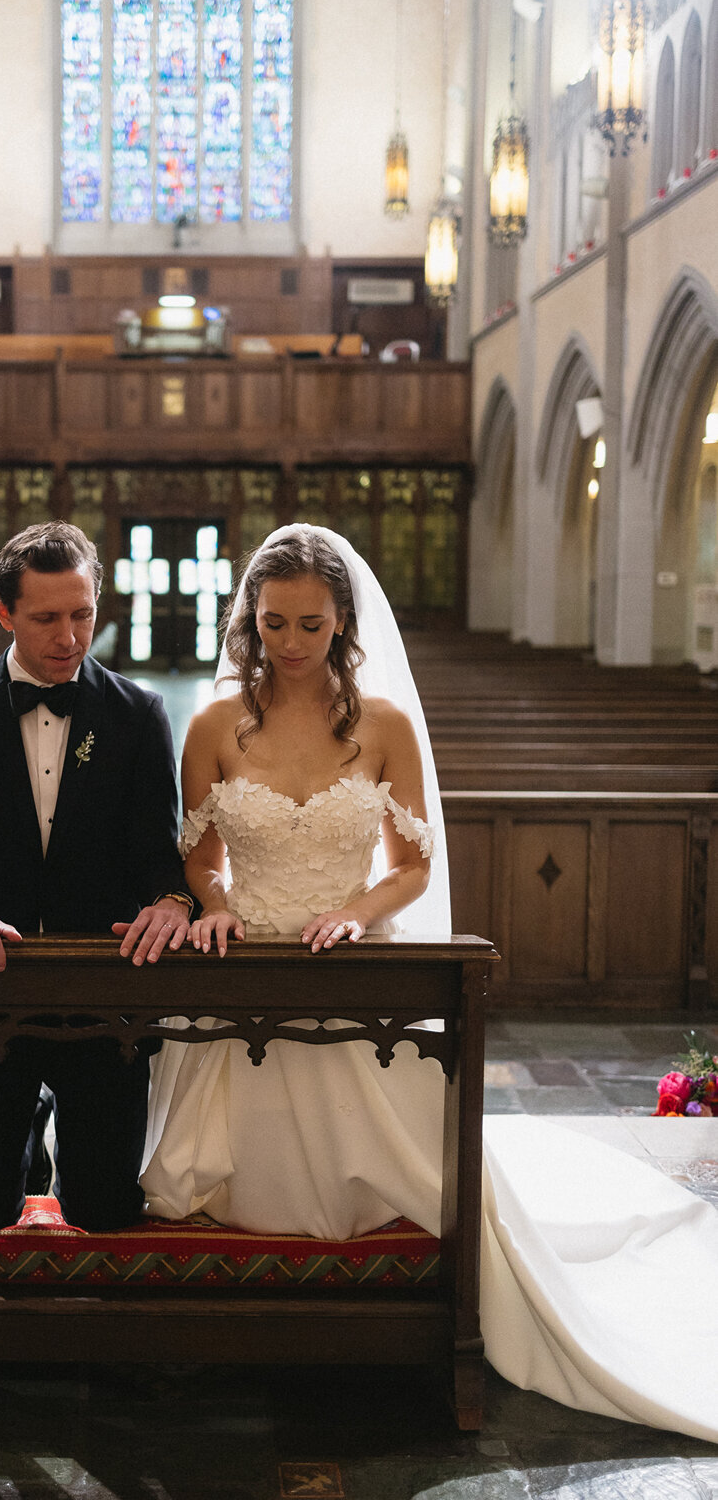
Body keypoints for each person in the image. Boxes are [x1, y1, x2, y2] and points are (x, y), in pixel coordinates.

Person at [141, 523, 718, 1444]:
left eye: (311, 626)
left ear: (343, 623)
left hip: (350, 955)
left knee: (399, 1162)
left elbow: (413, 865)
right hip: (246, 963)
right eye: (274, 622)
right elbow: (201, 857)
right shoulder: (212, 725)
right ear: (249, 618)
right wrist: (214, 904)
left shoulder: (384, 725)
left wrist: (359, 912)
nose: (290, 643)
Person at [0, 521, 192, 1234]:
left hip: (100, 998)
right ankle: (19, 1146)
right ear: (4, 615)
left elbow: (160, 858)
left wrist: (174, 900)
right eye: (46, 618)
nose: (69, 636)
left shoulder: (137, 716)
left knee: (104, 1210)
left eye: (83, 613)